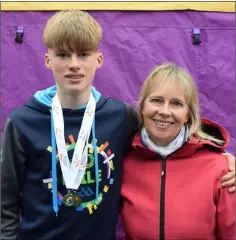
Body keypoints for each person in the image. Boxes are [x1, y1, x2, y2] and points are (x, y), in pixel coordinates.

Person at [1, 10, 235, 240]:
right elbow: (5, 201)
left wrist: (222, 158)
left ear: (99, 60)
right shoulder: (23, 122)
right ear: (47, 60)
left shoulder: (119, 116)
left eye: (83, 54)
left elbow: (163, 135)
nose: (74, 64)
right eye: (63, 55)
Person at [121, 63, 235, 240]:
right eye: (156, 100)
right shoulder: (124, 161)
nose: (165, 111)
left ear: (188, 114)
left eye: (176, 103)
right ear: (142, 107)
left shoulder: (219, 168)